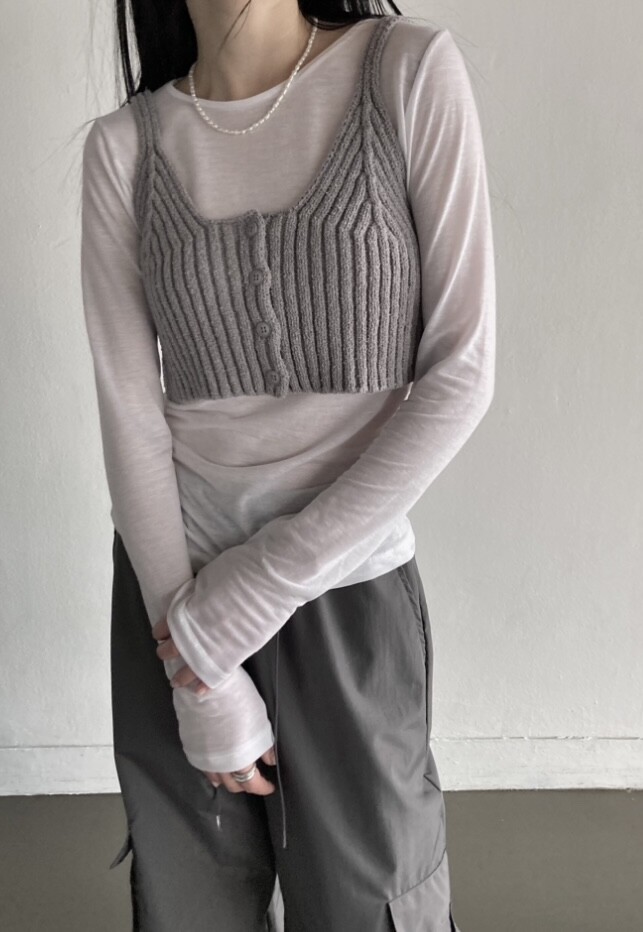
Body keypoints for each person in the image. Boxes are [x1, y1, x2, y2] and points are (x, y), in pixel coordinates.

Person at [80, 1, 495, 929]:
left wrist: (251, 595)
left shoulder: (406, 72)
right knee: (190, 905)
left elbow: (462, 374)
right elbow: (130, 417)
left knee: (374, 904)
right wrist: (195, 663)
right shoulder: (125, 147)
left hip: (344, 593)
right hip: (171, 599)